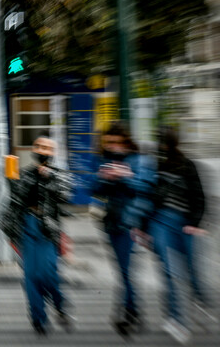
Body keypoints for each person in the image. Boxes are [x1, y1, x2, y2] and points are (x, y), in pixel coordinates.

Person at [146, 126, 213, 344]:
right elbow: (147, 198)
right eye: (160, 141)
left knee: (191, 271)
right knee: (169, 271)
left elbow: (199, 196)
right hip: (160, 222)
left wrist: (195, 223)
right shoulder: (155, 165)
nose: (162, 145)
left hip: (184, 223)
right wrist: (143, 226)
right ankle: (176, 319)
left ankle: (200, 300)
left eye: (164, 141)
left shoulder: (187, 165)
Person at [8, 134, 73, 335]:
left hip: (48, 229)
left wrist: (49, 177)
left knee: (48, 273)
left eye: (47, 148)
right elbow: (15, 200)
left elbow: (66, 195)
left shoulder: (60, 174)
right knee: (30, 276)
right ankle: (38, 317)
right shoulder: (26, 174)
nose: (42, 151)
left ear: (53, 153)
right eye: (38, 147)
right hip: (27, 225)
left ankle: (60, 304)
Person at [92, 121, 153, 336]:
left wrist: (126, 176)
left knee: (126, 271)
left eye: (117, 142)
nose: (114, 146)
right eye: (109, 142)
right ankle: (133, 311)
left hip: (131, 222)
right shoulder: (105, 159)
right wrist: (104, 178)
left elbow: (146, 188)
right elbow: (94, 189)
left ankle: (127, 313)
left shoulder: (139, 160)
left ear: (126, 141)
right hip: (112, 223)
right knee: (123, 271)